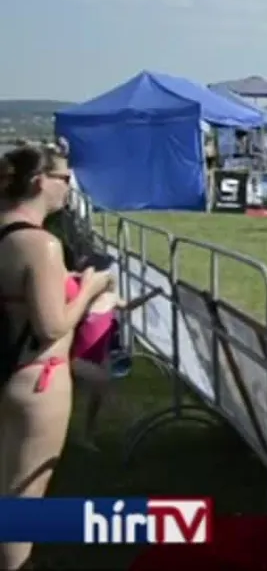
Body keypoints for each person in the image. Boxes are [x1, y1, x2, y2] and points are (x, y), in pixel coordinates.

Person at [0, 144, 114, 570]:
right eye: (64, 178)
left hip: (10, 366)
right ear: (38, 181)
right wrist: (89, 287)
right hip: (37, 378)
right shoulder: (41, 245)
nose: (69, 187)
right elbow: (51, 326)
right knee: (23, 497)